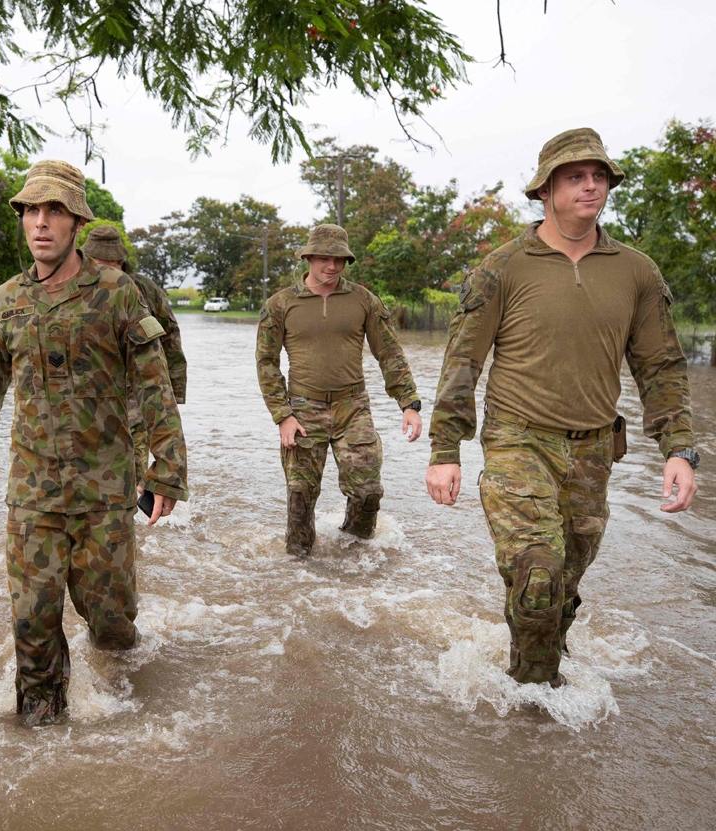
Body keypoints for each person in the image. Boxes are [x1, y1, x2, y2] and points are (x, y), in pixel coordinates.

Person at [425, 127, 697, 688]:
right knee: (538, 576)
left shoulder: (636, 271)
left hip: (595, 448)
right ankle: (535, 700)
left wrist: (679, 450)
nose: (590, 186)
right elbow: (462, 364)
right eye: (575, 177)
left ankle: (545, 651)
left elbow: (661, 367)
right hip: (517, 439)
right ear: (544, 190)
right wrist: (444, 449)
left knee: (565, 582)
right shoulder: (503, 268)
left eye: (599, 176)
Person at [0, 160, 187, 726]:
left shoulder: (117, 294)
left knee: (112, 624)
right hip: (34, 492)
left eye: (54, 212)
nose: (40, 223)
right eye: (31, 210)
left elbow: (155, 387)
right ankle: (42, 740)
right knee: (32, 623)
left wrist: (167, 469)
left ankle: (124, 707)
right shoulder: (7, 300)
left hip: (104, 493)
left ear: (76, 222)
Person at [256, 224, 422, 555]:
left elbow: (389, 353)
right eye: (323, 258)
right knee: (300, 499)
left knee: (368, 492)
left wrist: (409, 403)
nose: (331, 266)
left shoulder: (363, 300)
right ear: (308, 257)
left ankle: (353, 554)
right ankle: (300, 575)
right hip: (302, 409)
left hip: (352, 407)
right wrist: (282, 415)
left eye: (339, 259)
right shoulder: (280, 304)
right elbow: (266, 363)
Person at [80, 225, 187, 484]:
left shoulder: (143, 288)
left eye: (110, 263)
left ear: (119, 261)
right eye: (98, 263)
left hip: (135, 390)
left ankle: (137, 515)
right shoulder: (71, 287)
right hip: (88, 393)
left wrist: (173, 393)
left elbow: (170, 335)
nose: (104, 269)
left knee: (133, 460)